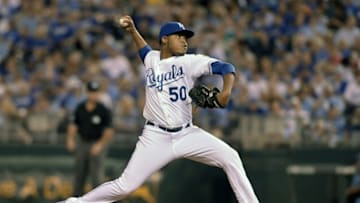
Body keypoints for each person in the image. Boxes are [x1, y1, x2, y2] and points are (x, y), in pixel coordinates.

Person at [59, 15, 259, 203]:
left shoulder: (189, 61)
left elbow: (227, 67)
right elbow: (143, 49)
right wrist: (133, 31)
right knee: (125, 186)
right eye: (179, 36)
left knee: (230, 156)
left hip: (187, 134)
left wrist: (225, 92)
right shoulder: (151, 59)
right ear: (164, 39)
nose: (184, 41)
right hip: (155, 137)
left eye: (185, 37)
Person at [66, 81, 114, 197]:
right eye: (91, 92)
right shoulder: (80, 107)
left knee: (96, 177)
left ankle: (97, 200)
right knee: (79, 174)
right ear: (87, 93)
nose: (94, 95)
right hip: (82, 142)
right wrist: (70, 139)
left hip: (96, 143)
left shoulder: (103, 109)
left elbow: (109, 131)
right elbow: (73, 125)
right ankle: (76, 199)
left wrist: (100, 144)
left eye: (96, 92)